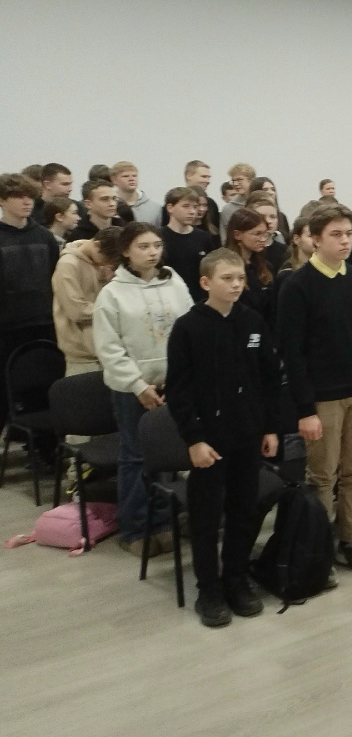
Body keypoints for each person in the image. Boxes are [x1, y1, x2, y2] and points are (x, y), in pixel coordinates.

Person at [166, 249, 281, 627]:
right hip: (209, 442)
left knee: (244, 511)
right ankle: (209, 589)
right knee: (206, 516)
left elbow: (268, 379)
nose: (235, 285)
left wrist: (270, 426)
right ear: (205, 283)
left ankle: (235, 578)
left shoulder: (252, 321)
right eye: (226, 278)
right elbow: (179, 392)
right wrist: (194, 439)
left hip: (247, 434)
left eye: (240, 278)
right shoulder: (188, 328)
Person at [278, 206, 352, 577]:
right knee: (323, 476)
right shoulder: (297, 285)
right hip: (323, 399)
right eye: (336, 235)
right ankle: (319, 547)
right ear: (315, 239)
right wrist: (305, 409)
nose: (345, 241)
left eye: (349, 233)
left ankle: (351, 539)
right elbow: (293, 355)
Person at [93, 221, 194, 555]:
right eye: (143, 247)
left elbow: (189, 327)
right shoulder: (112, 293)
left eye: (157, 246)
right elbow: (109, 349)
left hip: (173, 384)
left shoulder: (174, 281)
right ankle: (135, 528)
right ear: (126, 251)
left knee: (166, 456)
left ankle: (163, 522)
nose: (152, 253)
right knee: (136, 457)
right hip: (133, 388)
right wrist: (138, 385)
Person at [0, 173, 61, 426]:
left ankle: (46, 442)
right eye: (18, 197)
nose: (27, 202)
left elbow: (54, 279)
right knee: (7, 390)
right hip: (7, 328)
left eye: (30, 197)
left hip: (44, 324)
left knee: (46, 386)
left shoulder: (44, 237)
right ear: (2, 201)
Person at [53, 227, 119, 376]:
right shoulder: (68, 264)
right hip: (82, 353)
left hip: (105, 347)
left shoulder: (99, 262)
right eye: (107, 259)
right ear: (97, 245)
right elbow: (76, 311)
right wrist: (114, 309)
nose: (107, 264)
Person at [161, 187, 216, 303]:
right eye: (186, 206)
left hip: (199, 300)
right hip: (169, 299)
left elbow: (210, 270)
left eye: (195, 207)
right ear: (170, 208)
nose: (192, 211)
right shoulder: (159, 237)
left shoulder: (203, 237)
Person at [222, 208, 275, 323]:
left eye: (265, 234)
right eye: (257, 234)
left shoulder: (265, 267)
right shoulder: (223, 267)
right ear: (237, 235)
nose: (263, 239)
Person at [110, 161, 161, 226]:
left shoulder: (155, 208)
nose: (131, 179)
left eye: (134, 176)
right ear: (114, 180)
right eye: (125, 176)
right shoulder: (109, 205)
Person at [175, 160, 219, 233]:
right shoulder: (175, 202)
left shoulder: (211, 204)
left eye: (208, 177)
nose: (208, 181)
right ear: (189, 176)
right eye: (204, 176)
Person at [219, 163, 255, 242]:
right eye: (233, 181)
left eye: (239, 180)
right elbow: (225, 238)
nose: (235, 184)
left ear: (251, 180)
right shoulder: (229, 208)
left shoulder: (261, 203)